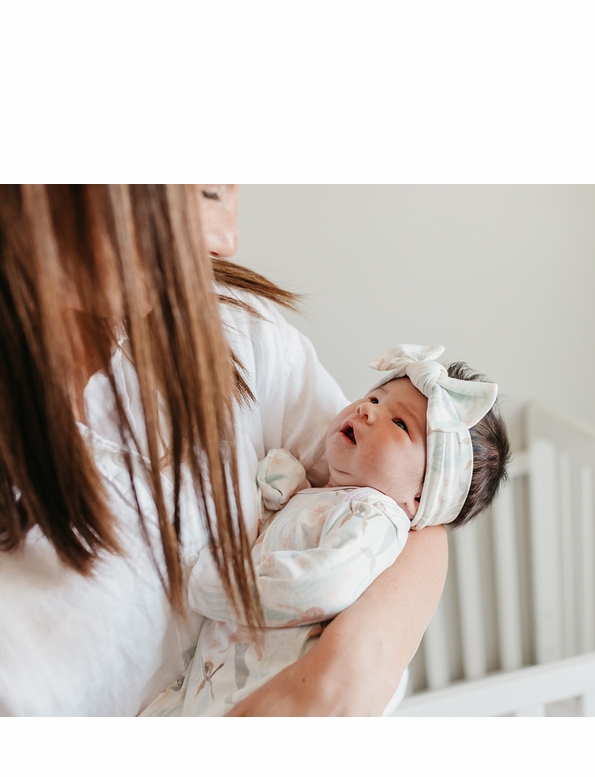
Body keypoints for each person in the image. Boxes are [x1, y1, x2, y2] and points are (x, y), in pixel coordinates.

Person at [0, 185, 448, 716]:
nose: (226, 239)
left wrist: (346, 673)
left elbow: (414, 508)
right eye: (206, 192)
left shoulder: (234, 327)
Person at [141, 345, 510, 716]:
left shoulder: (375, 518)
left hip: (265, 690)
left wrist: (217, 585)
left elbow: (321, 584)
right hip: (210, 683)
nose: (368, 409)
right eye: (376, 397)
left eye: (400, 424)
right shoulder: (331, 500)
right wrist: (286, 488)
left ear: (419, 497)